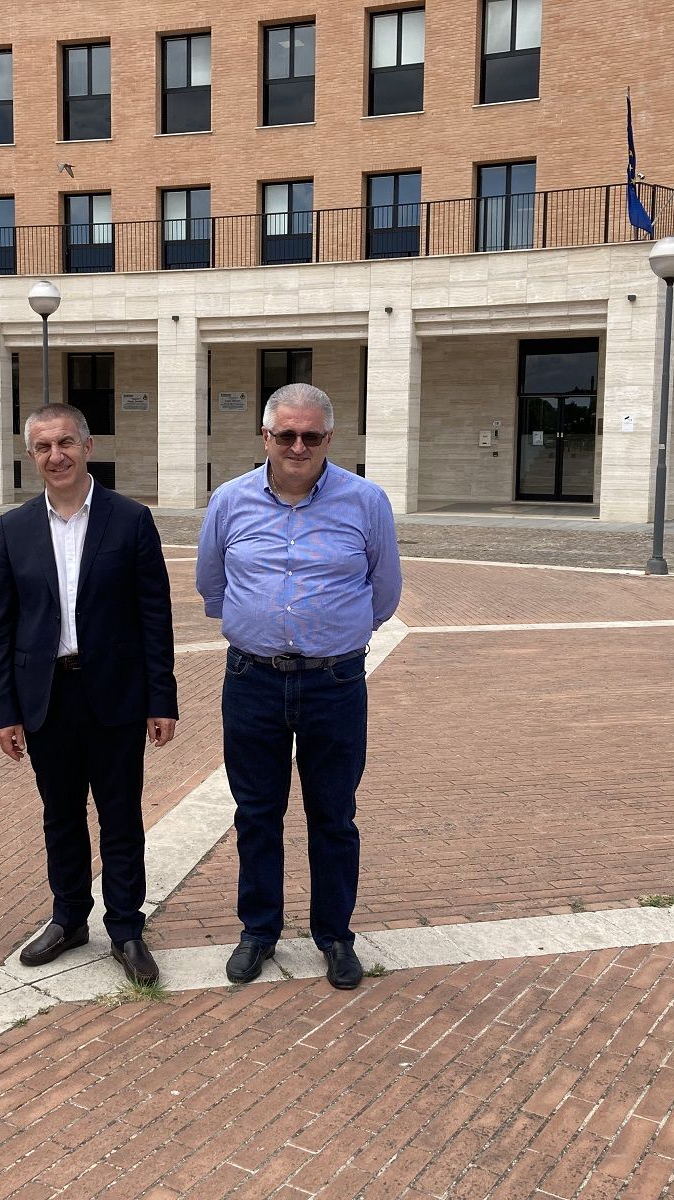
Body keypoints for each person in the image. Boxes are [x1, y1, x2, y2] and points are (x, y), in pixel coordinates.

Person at [196, 382, 401, 990]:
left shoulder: (366, 501)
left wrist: (334, 632)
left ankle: (335, 936)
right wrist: (259, 623)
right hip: (252, 678)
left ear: (329, 438)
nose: (298, 446)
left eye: (311, 435)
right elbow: (212, 583)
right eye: (285, 434)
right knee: (256, 813)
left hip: (334, 681)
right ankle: (258, 930)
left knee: (333, 814)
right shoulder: (229, 501)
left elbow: (384, 590)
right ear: (265, 436)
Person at [0, 403, 178, 985]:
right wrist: (4, 710)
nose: (56, 455)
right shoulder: (14, 528)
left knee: (120, 816)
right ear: (31, 455)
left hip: (115, 694)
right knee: (61, 815)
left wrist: (161, 698)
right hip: (45, 697)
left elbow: (155, 615)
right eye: (44, 447)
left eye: (66, 442)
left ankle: (126, 928)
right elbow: (0, 627)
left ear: (88, 447)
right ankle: (69, 918)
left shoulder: (131, 519)